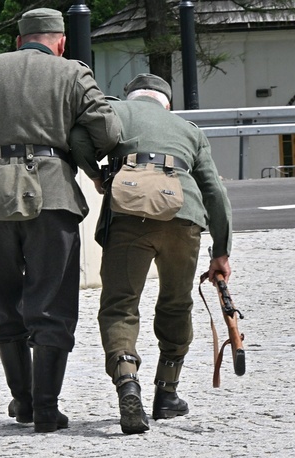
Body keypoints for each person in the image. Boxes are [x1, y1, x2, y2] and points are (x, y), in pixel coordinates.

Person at [0, 8, 121, 433]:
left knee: (1, 297)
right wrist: (78, 145)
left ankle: (23, 400)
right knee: (52, 300)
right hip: (53, 198)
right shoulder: (72, 73)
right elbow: (107, 131)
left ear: (19, 40)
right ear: (61, 42)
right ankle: (47, 408)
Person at [71, 74, 233, 434]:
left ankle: (128, 380)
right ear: (167, 104)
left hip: (129, 213)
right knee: (176, 304)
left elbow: (78, 137)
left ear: (132, 96)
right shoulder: (188, 129)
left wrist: (95, 174)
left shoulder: (115, 111)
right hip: (183, 215)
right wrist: (221, 251)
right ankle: (167, 394)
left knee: (120, 305)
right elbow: (215, 193)